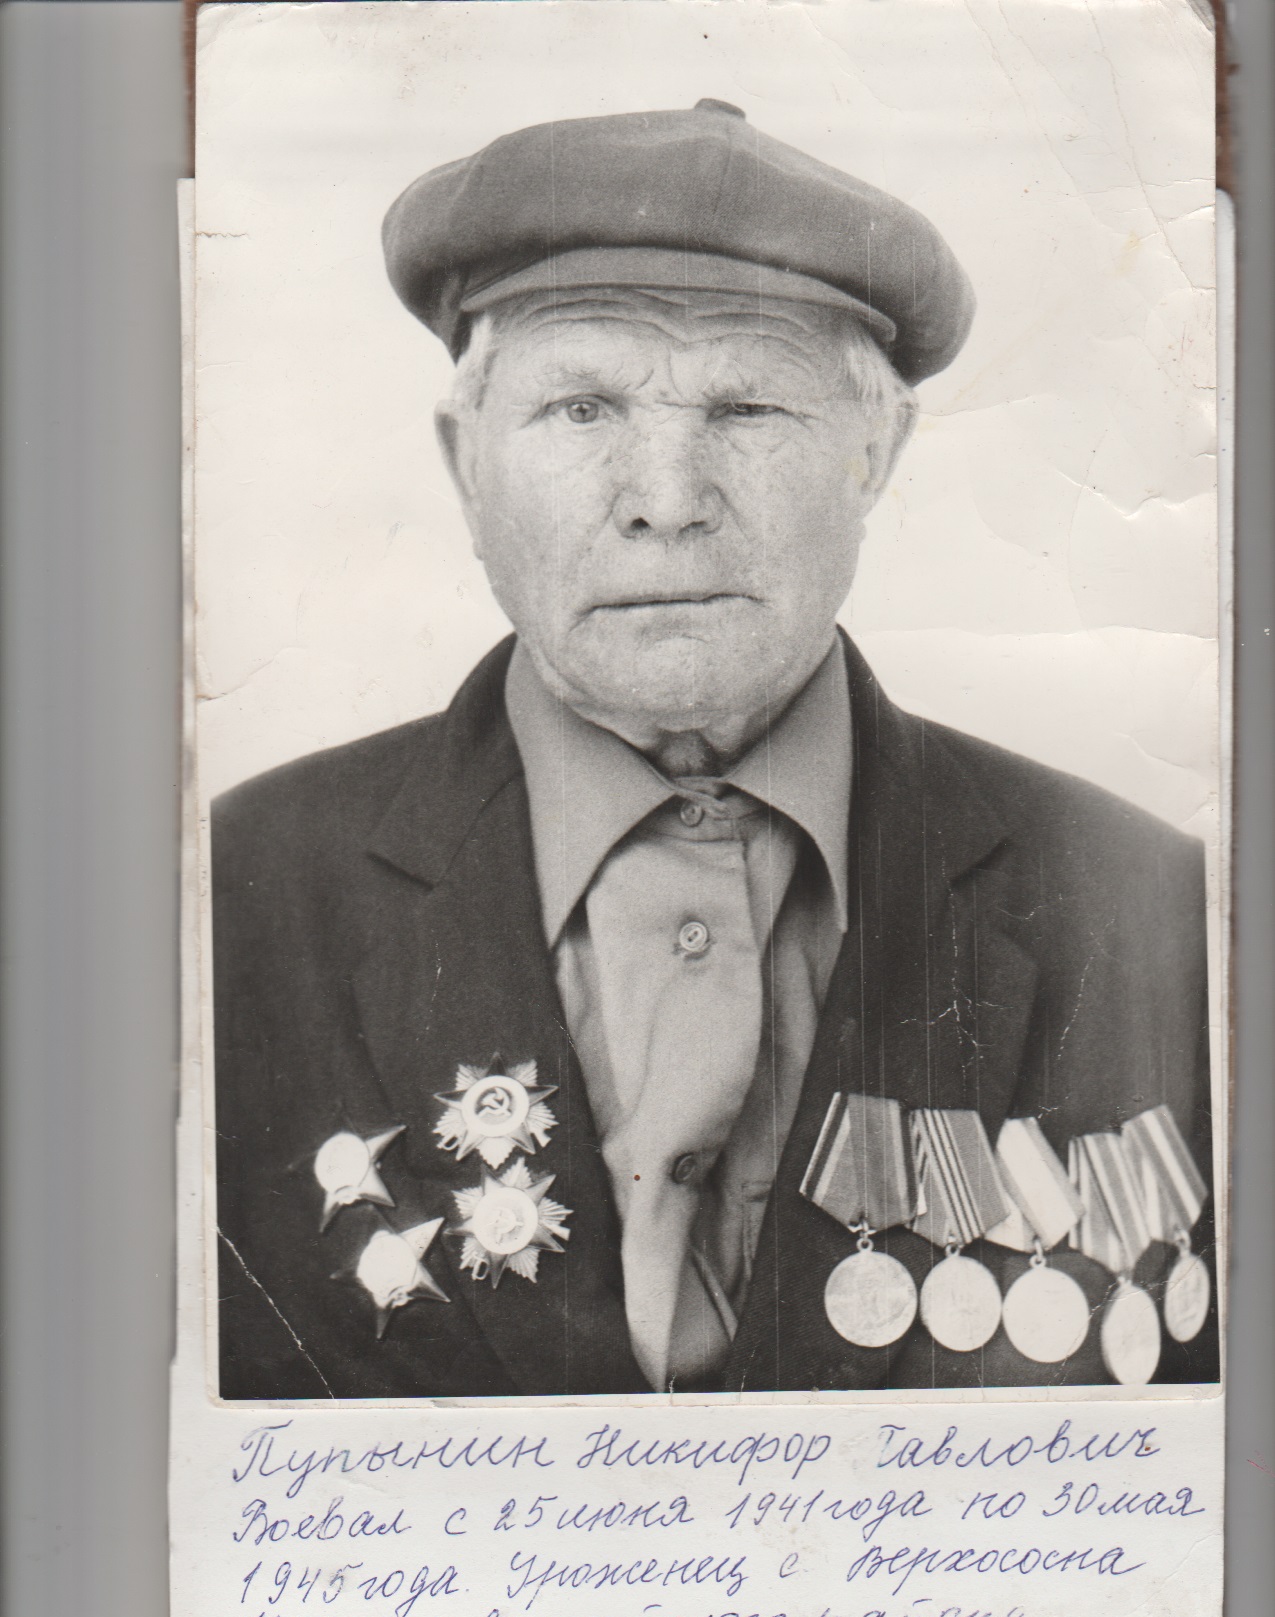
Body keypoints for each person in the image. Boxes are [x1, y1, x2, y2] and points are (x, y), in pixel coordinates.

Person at [212, 100, 1217, 1399]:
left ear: (876, 454)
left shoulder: (1154, 912)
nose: (667, 500)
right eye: (581, 407)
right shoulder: (223, 901)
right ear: (466, 465)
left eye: (747, 406)